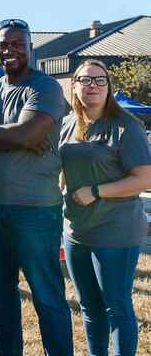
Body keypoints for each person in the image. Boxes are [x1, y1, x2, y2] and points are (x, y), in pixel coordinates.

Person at [0, 18, 72, 356]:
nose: (9, 50)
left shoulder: (45, 87)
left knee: (47, 296)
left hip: (36, 210)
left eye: (17, 43)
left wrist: (16, 135)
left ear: (30, 48)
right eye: (3, 44)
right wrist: (19, 136)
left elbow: (24, 135)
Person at [59, 60, 151, 356]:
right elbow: (63, 168)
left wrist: (97, 191)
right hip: (75, 231)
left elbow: (144, 178)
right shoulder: (67, 123)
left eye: (100, 80)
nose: (93, 86)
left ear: (109, 86)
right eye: (85, 80)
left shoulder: (126, 127)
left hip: (116, 230)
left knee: (117, 307)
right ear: (73, 85)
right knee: (89, 308)